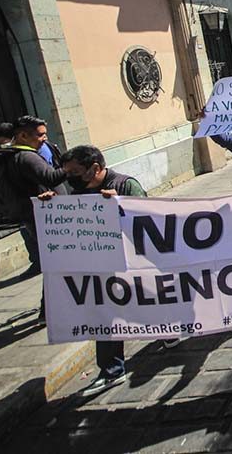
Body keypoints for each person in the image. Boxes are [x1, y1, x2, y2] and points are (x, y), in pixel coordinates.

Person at [37, 145, 177, 396]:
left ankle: (166, 329)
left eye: (74, 172)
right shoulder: (76, 192)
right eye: (66, 172)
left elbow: (150, 220)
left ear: (95, 168)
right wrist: (51, 206)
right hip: (101, 268)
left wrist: (121, 206)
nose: (68, 177)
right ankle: (112, 370)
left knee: (148, 302)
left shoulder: (125, 186)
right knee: (104, 313)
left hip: (134, 264)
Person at [0, 116, 67, 289]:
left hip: (34, 215)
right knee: (59, 261)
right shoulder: (26, 156)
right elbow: (51, 177)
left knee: (55, 261)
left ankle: (51, 302)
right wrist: (72, 167)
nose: (44, 139)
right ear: (23, 136)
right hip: (45, 217)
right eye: (40, 135)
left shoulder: (12, 156)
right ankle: (52, 303)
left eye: (44, 134)